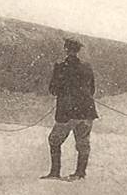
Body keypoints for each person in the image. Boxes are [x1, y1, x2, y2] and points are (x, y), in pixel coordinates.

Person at [42, 38, 98, 180]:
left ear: (66, 50)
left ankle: (55, 172)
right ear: (78, 51)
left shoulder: (61, 67)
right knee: (83, 143)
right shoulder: (87, 67)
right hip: (87, 111)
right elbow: (92, 89)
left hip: (67, 112)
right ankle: (80, 173)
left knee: (54, 140)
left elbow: (53, 89)